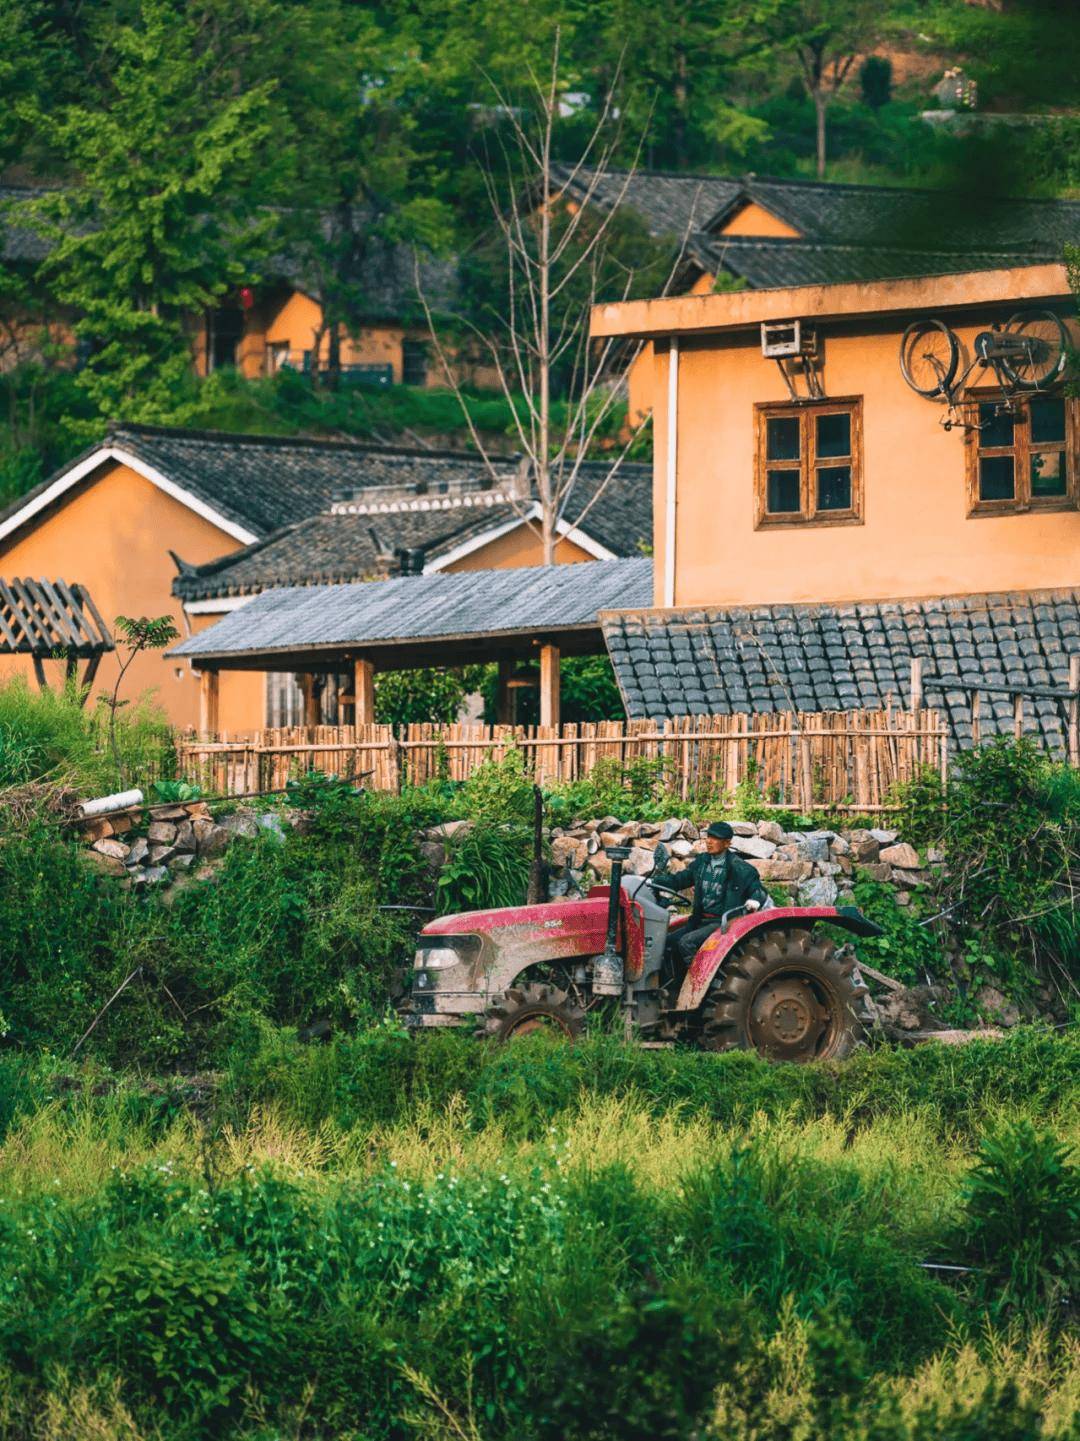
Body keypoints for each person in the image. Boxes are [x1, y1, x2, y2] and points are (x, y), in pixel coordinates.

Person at [654, 821, 769, 966]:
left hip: (722, 922)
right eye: (708, 837)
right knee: (668, 942)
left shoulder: (740, 869)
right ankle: (676, 984)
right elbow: (681, 879)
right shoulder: (702, 862)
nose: (709, 841)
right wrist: (656, 881)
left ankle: (699, 985)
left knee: (686, 943)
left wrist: (755, 900)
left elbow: (758, 890)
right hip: (699, 920)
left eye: (715, 838)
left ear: (727, 843)